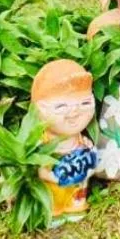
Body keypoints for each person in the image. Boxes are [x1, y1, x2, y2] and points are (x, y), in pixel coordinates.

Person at [31, 59, 98, 226]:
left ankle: (75, 208)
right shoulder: (43, 143)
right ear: (40, 109)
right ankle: (54, 211)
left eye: (85, 103)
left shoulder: (82, 141)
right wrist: (51, 176)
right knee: (53, 200)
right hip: (54, 186)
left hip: (77, 187)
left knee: (77, 198)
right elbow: (39, 168)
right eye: (61, 107)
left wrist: (88, 168)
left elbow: (92, 159)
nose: (74, 112)